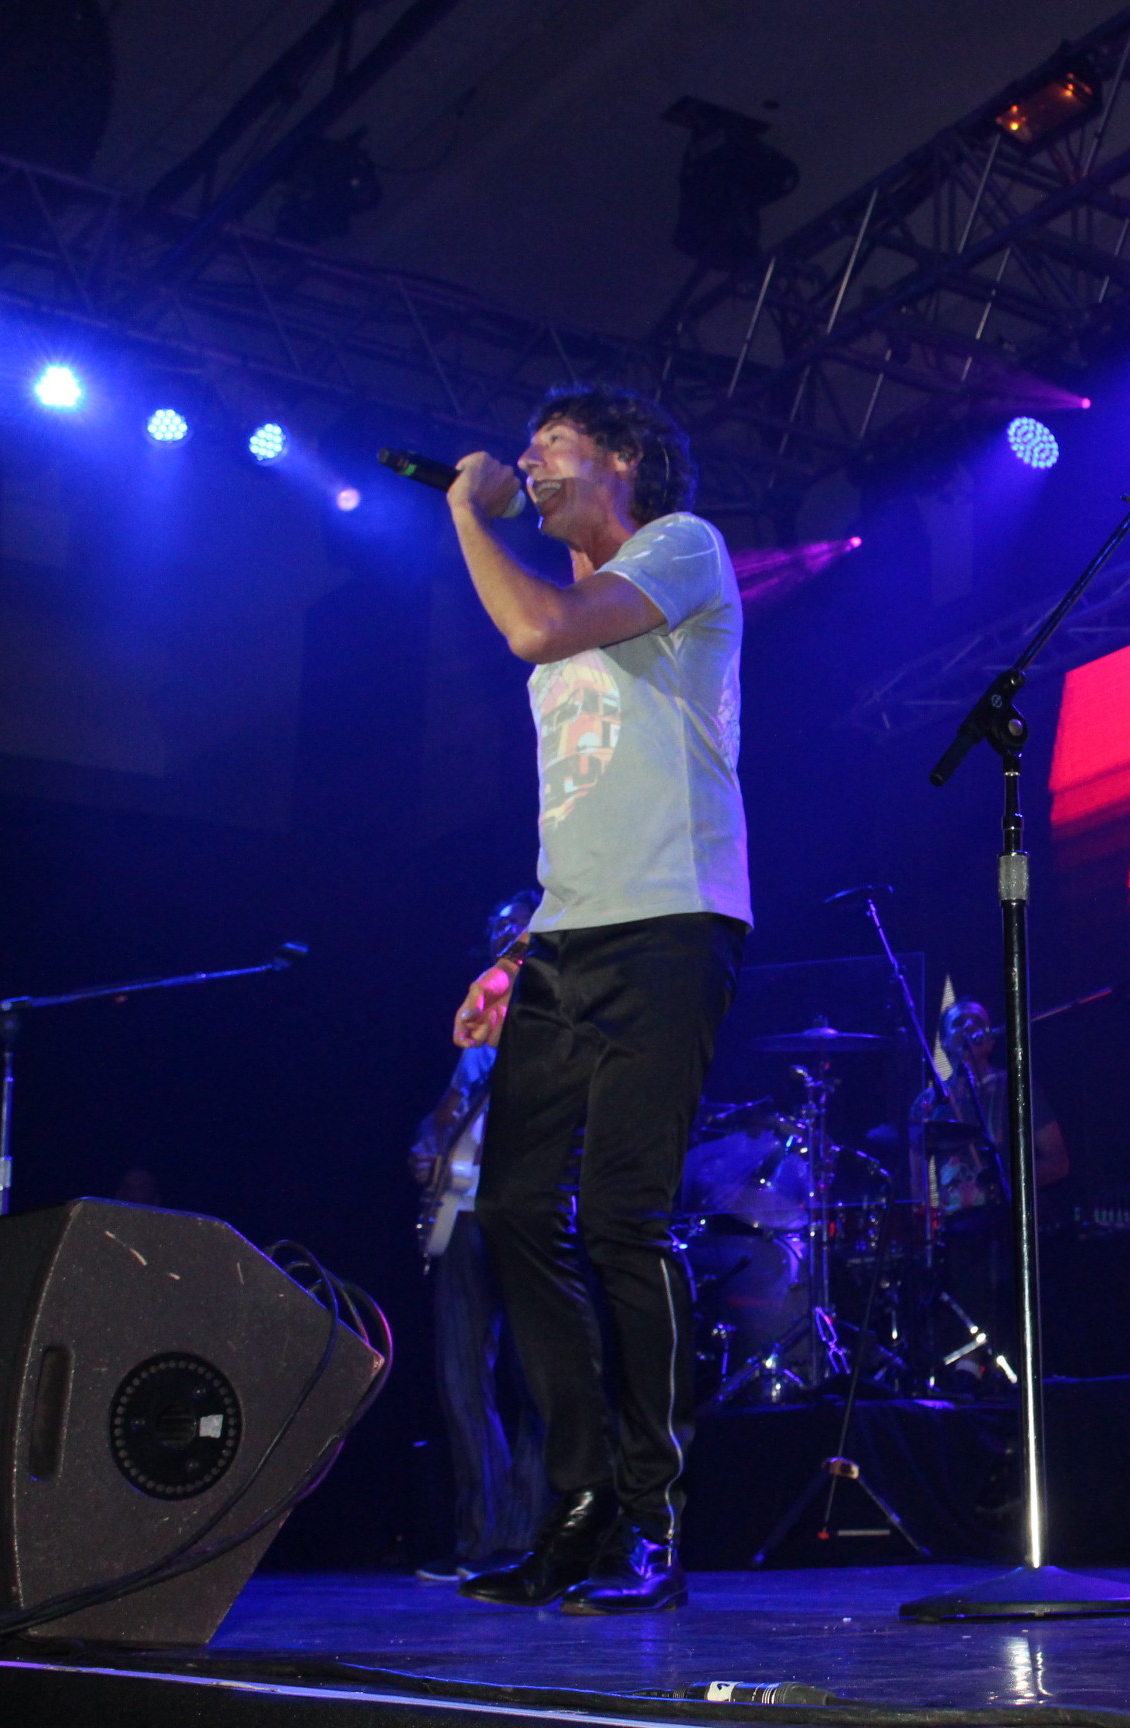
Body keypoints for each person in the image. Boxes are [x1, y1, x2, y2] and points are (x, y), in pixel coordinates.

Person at [442, 387, 751, 1613]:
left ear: (623, 459)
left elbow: (536, 628)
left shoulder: (679, 546)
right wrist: (514, 951)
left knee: (625, 1218)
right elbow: (583, 798)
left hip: (672, 923)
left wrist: (468, 514)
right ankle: (576, 1506)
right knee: (516, 1209)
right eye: (522, 455)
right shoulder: (565, 609)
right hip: (568, 936)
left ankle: (650, 1519)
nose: (528, 466)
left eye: (551, 449)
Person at [408, 890, 549, 1581]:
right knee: (461, 1377)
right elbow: (449, 1112)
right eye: (497, 930)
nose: (504, 939)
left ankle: (528, 1535)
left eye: (516, 929)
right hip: (464, 1212)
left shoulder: (556, 1012)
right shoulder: (481, 1018)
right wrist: (427, 1143)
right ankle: (481, 1539)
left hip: (534, 1208)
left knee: (538, 1376)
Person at [908, 998, 1068, 1393]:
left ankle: (1017, 1368)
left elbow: (1058, 1161)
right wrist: (926, 1224)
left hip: (1015, 1216)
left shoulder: (1017, 1087)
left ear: (991, 1038)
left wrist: (1011, 1185)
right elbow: (917, 1183)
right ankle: (967, 1368)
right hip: (958, 1227)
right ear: (944, 1041)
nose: (967, 1029)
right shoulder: (927, 1104)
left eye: (975, 1022)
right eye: (957, 1023)